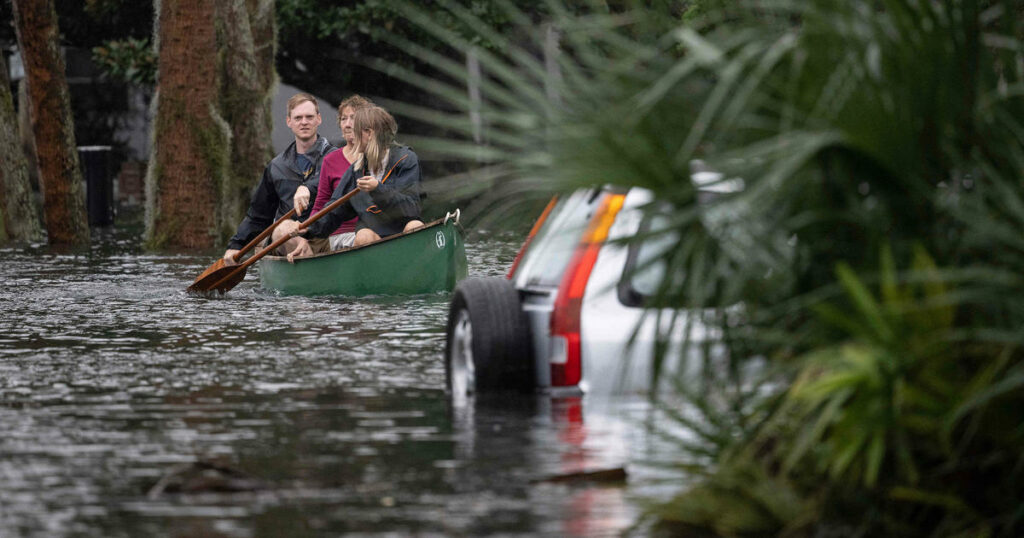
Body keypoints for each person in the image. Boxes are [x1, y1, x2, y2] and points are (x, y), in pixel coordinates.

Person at [279, 105, 424, 261]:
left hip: (401, 228)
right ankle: (374, 280)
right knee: (363, 235)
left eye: (356, 131)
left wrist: (378, 189)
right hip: (372, 231)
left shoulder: (406, 159)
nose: (351, 136)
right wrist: (308, 227)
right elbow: (335, 210)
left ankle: (412, 277)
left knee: (415, 226)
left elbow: (412, 209)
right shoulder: (356, 170)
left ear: (370, 133)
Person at [221, 93, 335, 266]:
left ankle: (313, 272)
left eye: (309, 117)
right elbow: (258, 216)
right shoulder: (276, 166)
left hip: (323, 236)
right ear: (289, 122)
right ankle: (312, 273)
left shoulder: (335, 156)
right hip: (287, 239)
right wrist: (236, 245)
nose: (304, 122)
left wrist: (307, 188)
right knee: (283, 228)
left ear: (318, 119)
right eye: (298, 118)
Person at [286, 95, 374, 259]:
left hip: (376, 233)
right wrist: (308, 238)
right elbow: (320, 206)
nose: (347, 124)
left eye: (353, 118)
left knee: (371, 235)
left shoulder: (378, 156)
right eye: (343, 119)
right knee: (364, 237)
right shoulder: (331, 160)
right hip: (340, 236)